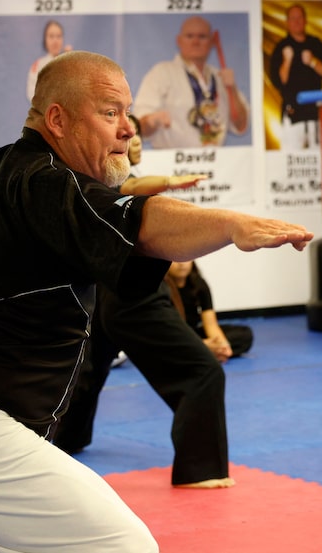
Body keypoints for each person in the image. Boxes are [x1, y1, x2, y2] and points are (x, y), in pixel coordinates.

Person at [0, 51, 312, 552]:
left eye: (128, 113)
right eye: (111, 113)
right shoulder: (45, 181)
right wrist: (229, 225)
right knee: (125, 546)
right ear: (57, 119)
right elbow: (145, 223)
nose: (127, 130)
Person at [53, 116, 232, 489]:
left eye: (134, 136)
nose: (131, 138)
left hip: (103, 296)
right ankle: (201, 471)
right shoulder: (107, 182)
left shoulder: (91, 181)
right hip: (131, 296)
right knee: (203, 372)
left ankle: (64, 440)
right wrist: (168, 183)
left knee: (86, 374)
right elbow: (132, 186)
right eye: (122, 135)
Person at [134, 16, 249, 149]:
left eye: (202, 36)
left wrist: (232, 89)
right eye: (189, 36)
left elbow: (241, 127)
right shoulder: (161, 73)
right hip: (173, 165)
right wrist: (152, 121)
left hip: (216, 164)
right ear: (179, 41)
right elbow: (138, 128)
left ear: (212, 42)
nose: (196, 41)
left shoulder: (220, 77)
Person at [268, 3, 322, 150]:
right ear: (287, 22)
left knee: (318, 159)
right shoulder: (281, 47)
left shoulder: (315, 44)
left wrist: (313, 62)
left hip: (314, 113)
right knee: (291, 160)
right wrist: (287, 61)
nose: (297, 21)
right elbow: (279, 82)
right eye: (293, 18)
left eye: (299, 17)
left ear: (305, 20)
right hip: (292, 113)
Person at [165, 260, 253, 361]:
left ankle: (203, 351)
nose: (181, 263)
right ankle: (202, 350)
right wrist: (203, 344)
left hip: (193, 334)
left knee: (245, 334)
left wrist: (221, 345)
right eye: (176, 259)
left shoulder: (198, 284)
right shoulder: (161, 287)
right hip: (172, 336)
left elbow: (210, 324)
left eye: (186, 259)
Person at [26, 20, 72, 102]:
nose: (55, 41)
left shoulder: (71, 63)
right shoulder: (38, 65)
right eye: (51, 36)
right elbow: (31, 93)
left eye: (58, 36)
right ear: (45, 39)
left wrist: (70, 62)